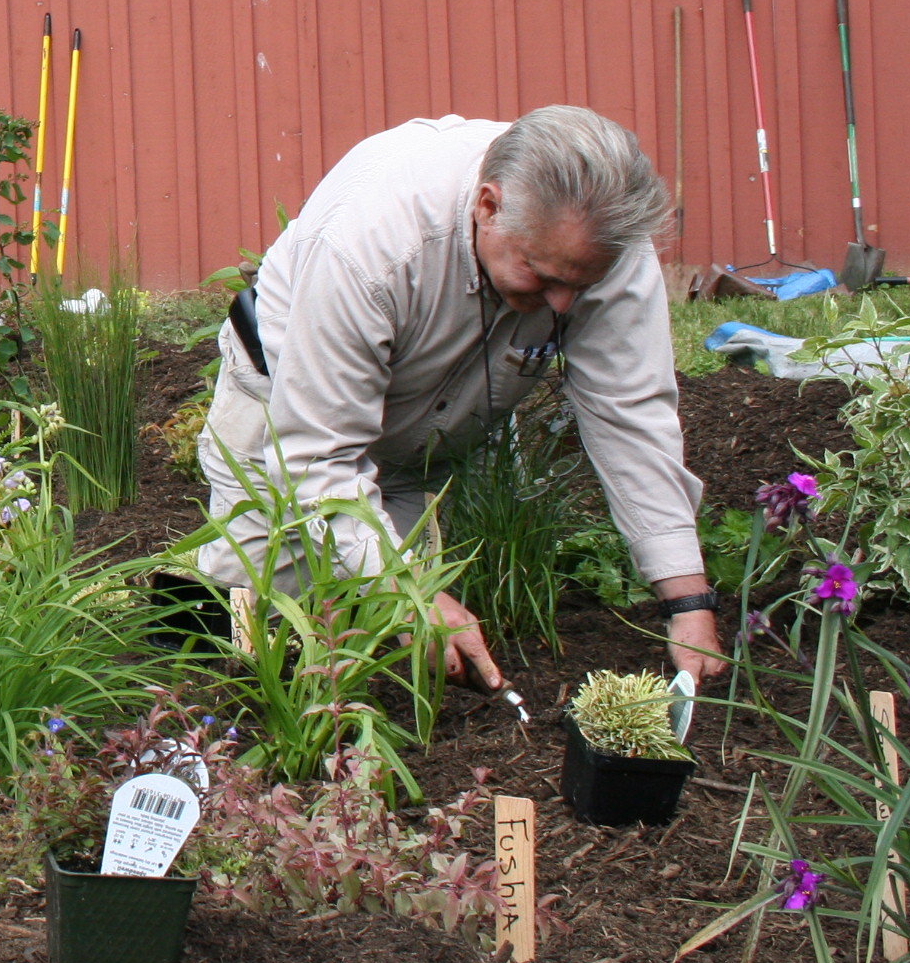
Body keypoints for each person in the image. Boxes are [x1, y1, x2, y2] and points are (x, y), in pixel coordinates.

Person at [189, 107, 724, 689]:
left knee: (398, 650)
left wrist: (686, 599)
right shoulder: (371, 243)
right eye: (543, 278)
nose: (565, 306)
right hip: (289, 409)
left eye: (581, 285)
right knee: (260, 632)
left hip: (436, 423)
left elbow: (631, 414)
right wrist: (411, 590)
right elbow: (318, 459)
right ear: (487, 208)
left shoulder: (601, 241)